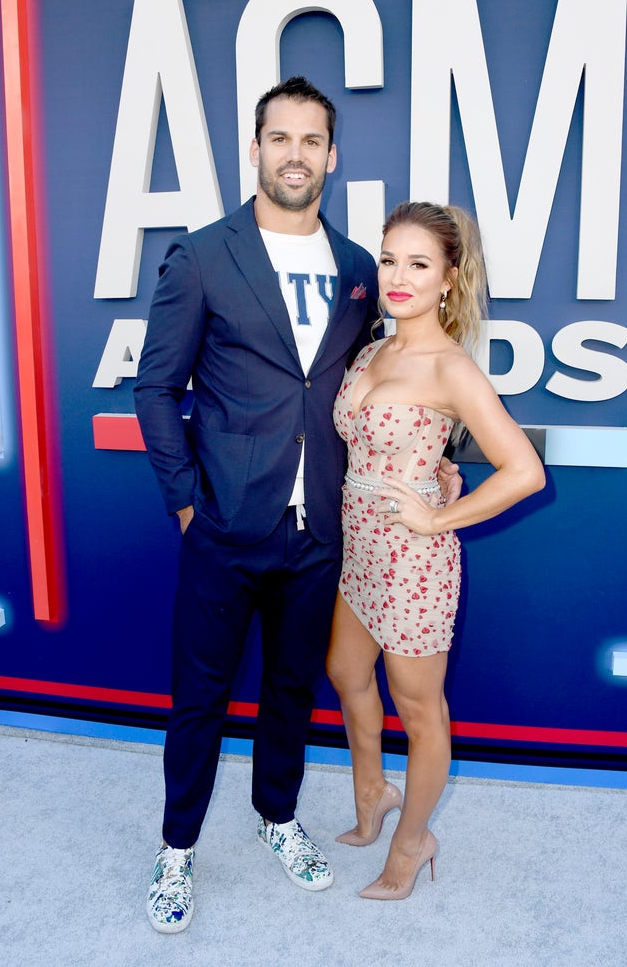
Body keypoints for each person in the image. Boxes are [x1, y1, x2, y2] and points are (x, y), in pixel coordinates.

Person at [133, 77, 458, 933]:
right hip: (225, 526)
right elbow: (157, 386)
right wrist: (184, 506)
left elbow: (396, 385)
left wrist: (445, 465)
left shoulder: (359, 269)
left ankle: (279, 817)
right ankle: (176, 850)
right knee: (199, 696)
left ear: (332, 157)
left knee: (288, 688)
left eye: (312, 141)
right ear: (256, 149)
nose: (295, 155)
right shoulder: (203, 255)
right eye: (280, 138)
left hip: (321, 537)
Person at [324, 200, 546, 900]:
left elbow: (525, 471)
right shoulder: (373, 349)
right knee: (344, 672)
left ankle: (414, 841)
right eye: (389, 259)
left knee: (421, 713)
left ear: (449, 278)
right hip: (359, 551)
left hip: (413, 566)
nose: (397, 276)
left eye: (418, 264)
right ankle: (373, 794)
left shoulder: (452, 369)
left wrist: (435, 517)